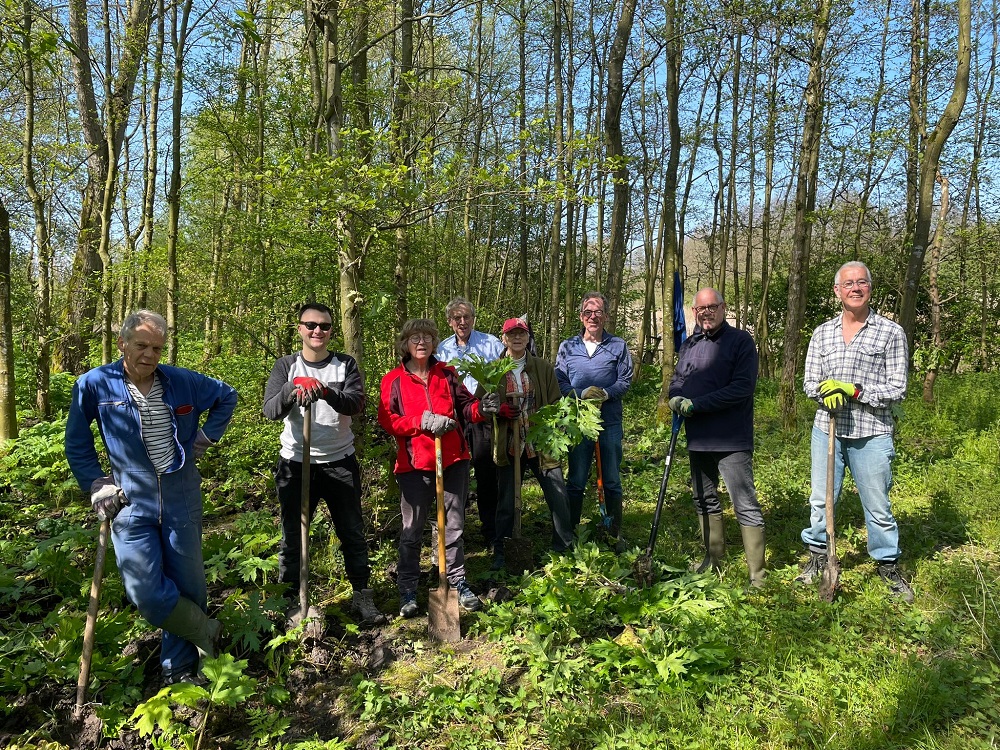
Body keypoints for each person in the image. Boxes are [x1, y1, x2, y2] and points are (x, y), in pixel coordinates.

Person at [65, 309, 238, 685]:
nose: (149, 354)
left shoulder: (181, 381)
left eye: (157, 348)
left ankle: (180, 670)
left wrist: (207, 437)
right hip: (129, 499)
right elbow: (77, 443)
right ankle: (205, 631)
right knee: (145, 591)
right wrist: (97, 484)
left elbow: (227, 396)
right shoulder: (94, 384)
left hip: (182, 494)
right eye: (141, 345)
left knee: (188, 585)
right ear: (122, 343)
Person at [796, 261, 913, 603]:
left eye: (862, 282)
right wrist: (825, 391)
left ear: (870, 288)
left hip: (872, 434)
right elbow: (809, 381)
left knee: (877, 505)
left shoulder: (891, 333)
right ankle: (819, 557)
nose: (855, 288)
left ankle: (887, 565)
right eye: (848, 284)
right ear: (838, 291)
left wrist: (855, 390)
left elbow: (898, 387)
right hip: (827, 431)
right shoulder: (823, 333)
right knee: (821, 499)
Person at [262, 302, 383, 626]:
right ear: (299, 328)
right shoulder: (285, 365)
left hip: (338, 462)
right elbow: (270, 409)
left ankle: (361, 595)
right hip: (295, 464)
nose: (318, 331)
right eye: (311, 325)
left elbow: (356, 403)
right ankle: (290, 601)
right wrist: (292, 389)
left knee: (351, 532)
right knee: (293, 536)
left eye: (325, 326)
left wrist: (326, 392)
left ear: (331, 331)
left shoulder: (345, 365)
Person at [379, 319, 502, 618]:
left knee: (454, 524)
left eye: (428, 337)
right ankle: (408, 587)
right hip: (414, 464)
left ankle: (457, 581)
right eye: (415, 337)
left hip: (453, 459)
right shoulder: (393, 379)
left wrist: (483, 409)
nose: (421, 342)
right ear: (405, 343)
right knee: (412, 529)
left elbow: (466, 409)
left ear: (435, 342)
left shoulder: (447, 373)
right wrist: (419, 421)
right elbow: (388, 420)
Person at [669, 288, 766, 587]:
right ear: (694, 312)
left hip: (731, 439)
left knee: (744, 502)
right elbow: (678, 380)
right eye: (701, 309)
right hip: (697, 437)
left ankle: (757, 575)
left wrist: (698, 405)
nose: (706, 312)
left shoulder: (740, 342)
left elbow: (741, 388)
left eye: (712, 307)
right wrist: (675, 398)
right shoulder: (689, 344)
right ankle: (712, 560)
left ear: (723, 308)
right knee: (703, 498)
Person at [490, 317, 575, 570]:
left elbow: (556, 402)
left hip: (541, 442)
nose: (517, 338)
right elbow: (481, 405)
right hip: (509, 444)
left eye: (522, 334)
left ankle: (564, 547)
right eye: (512, 334)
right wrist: (498, 410)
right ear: (504, 338)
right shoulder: (493, 369)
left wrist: (552, 428)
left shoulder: (542, 367)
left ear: (528, 338)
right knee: (506, 502)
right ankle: (502, 552)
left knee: (558, 495)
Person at [555, 292, 634, 551]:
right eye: (588, 312)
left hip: (609, 420)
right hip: (578, 421)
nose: (593, 317)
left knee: (611, 478)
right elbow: (560, 381)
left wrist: (606, 394)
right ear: (581, 316)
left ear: (606, 316)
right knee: (576, 478)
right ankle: (571, 533)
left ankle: (614, 531)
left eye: (598, 312)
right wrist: (580, 395)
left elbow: (625, 379)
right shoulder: (568, 346)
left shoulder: (618, 345)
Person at [436, 297, 505, 549]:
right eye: (457, 318)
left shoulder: (491, 343)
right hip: (454, 418)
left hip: (483, 415)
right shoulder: (441, 350)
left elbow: (504, 374)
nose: (462, 322)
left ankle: (491, 531)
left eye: (467, 317)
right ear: (449, 321)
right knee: (455, 474)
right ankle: (455, 534)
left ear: (473, 318)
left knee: (487, 473)